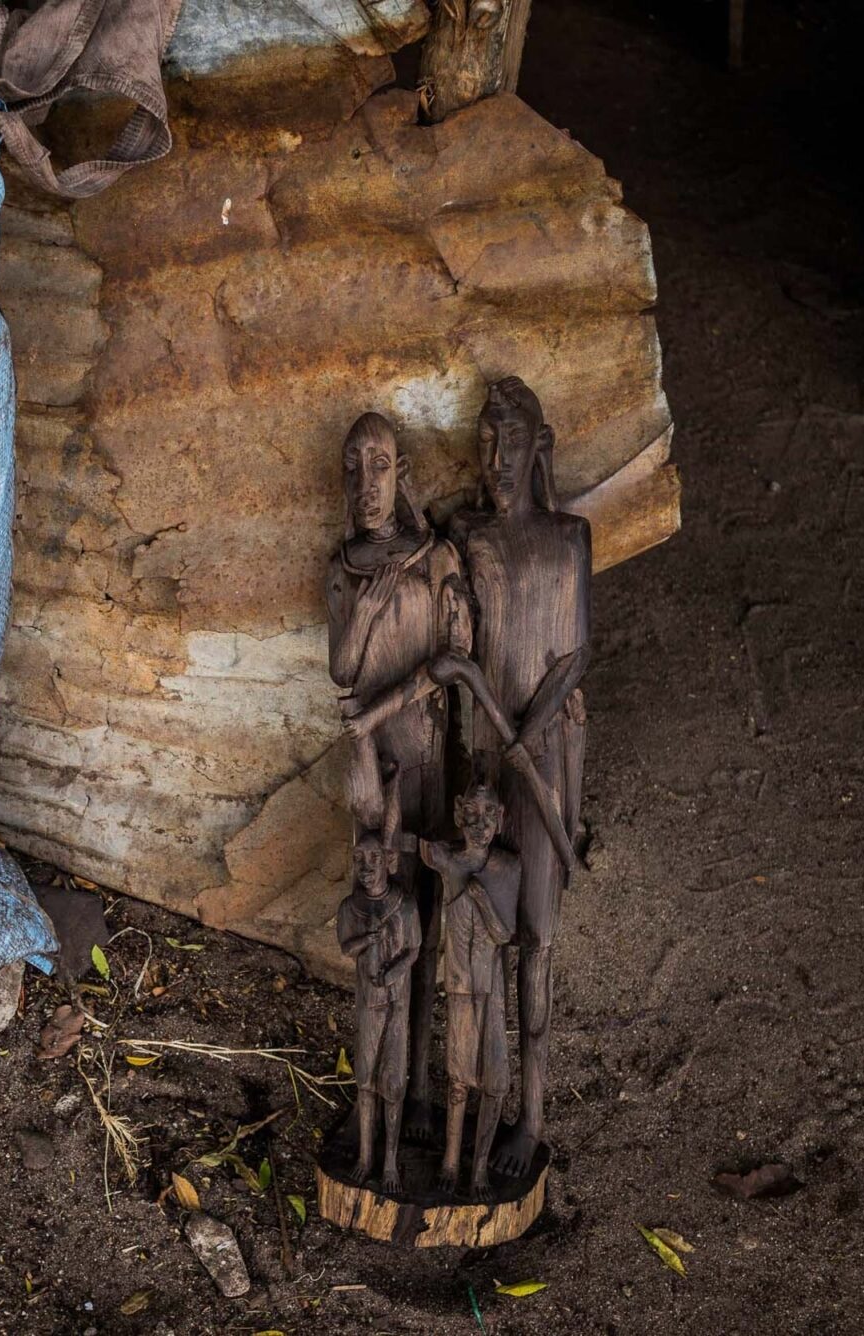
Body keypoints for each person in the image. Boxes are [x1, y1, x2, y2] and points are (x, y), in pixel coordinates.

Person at [446, 377, 591, 1177]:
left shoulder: (568, 540)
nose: (498, 459)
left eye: (513, 440)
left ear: (539, 447)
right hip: (482, 760)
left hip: (539, 767)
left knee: (534, 941)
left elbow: (573, 660)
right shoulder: (471, 538)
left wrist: (527, 741)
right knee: (475, 940)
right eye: (486, 442)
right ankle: (473, 1099)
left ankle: (530, 1117)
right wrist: (497, 743)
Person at [326, 411, 469, 1136]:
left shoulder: (432, 558)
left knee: (427, 918)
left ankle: (418, 1091)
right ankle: (376, 1098)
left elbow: (449, 658)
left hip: (422, 750)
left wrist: (381, 709)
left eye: (380, 465)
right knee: (383, 909)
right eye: (353, 468)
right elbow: (340, 670)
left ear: (400, 471)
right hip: (371, 766)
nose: (366, 484)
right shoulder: (344, 569)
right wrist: (366, 613)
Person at [419, 783, 518, 1194]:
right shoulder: (446, 860)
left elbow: (503, 932)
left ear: (500, 820)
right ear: (459, 814)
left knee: (495, 1082)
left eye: (488, 816)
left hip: (490, 989)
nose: (480, 825)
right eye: (472, 815)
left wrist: (478, 897)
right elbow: (410, 844)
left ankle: (478, 1169)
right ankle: (450, 1161)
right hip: (459, 986)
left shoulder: (506, 868)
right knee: (458, 1079)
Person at [334, 779, 421, 1193]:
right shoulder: (350, 908)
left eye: (373, 858)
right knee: (365, 1077)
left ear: (388, 861)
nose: (366, 867)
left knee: (393, 1082)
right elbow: (345, 946)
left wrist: (394, 972)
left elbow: (415, 950)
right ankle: (367, 1154)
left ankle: (389, 1161)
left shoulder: (403, 904)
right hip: (368, 1004)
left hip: (397, 1004)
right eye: (359, 859)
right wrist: (365, 941)